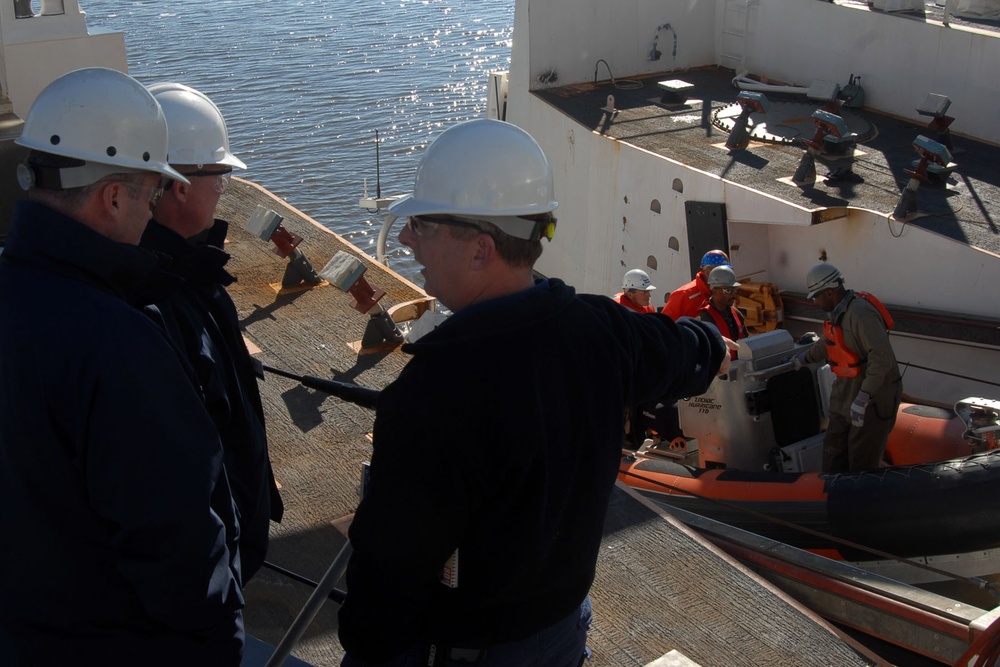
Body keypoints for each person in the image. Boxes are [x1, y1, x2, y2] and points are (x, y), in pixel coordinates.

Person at [337, 118, 731, 667]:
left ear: (479, 250)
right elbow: (691, 352)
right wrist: (710, 337)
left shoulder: (434, 391)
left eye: (422, 224)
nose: (406, 238)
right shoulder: (602, 331)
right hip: (560, 633)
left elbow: (389, 573)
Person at [0, 68, 244, 665]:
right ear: (113, 197)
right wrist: (219, 642)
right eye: (149, 193)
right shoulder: (116, 341)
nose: (153, 211)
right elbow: (176, 539)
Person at [142, 82, 283, 582]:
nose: (225, 186)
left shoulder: (183, 275)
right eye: (221, 174)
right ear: (180, 186)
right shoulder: (163, 300)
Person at [797, 263, 902, 472]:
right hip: (846, 391)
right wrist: (804, 358)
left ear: (829, 292)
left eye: (816, 297)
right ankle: (831, 493)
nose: (815, 303)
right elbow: (830, 341)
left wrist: (864, 397)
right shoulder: (837, 312)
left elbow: (881, 358)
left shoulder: (860, 313)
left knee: (862, 459)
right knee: (833, 449)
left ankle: (863, 500)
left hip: (873, 395)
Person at [661, 248, 730, 320]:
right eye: (720, 271)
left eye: (726, 271)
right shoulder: (684, 295)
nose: (724, 275)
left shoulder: (727, 291)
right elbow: (664, 325)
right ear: (706, 271)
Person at [698, 265, 748, 359]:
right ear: (714, 290)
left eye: (734, 290)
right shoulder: (704, 319)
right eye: (728, 290)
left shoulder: (736, 314)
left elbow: (747, 341)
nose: (733, 295)